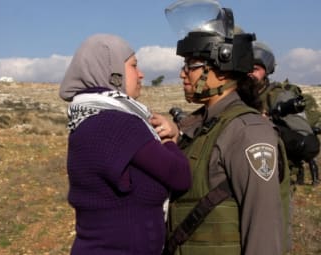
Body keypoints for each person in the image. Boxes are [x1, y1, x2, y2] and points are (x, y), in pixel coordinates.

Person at [162, 1, 288, 254]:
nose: (183, 73)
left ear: (222, 68)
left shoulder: (248, 131)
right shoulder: (203, 125)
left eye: (192, 65)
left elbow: (263, 227)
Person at [59, 33, 192, 255]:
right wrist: (170, 140)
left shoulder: (86, 119)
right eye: (133, 66)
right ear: (113, 73)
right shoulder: (119, 124)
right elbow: (179, 176)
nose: (141, 74)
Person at [249, 41, 320, 186]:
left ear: (267, 71)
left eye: (255, 69)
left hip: (275, 177)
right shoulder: (237, 95)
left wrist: (269, 126)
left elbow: (309, 145)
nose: (249, 73)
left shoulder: (279, 97)